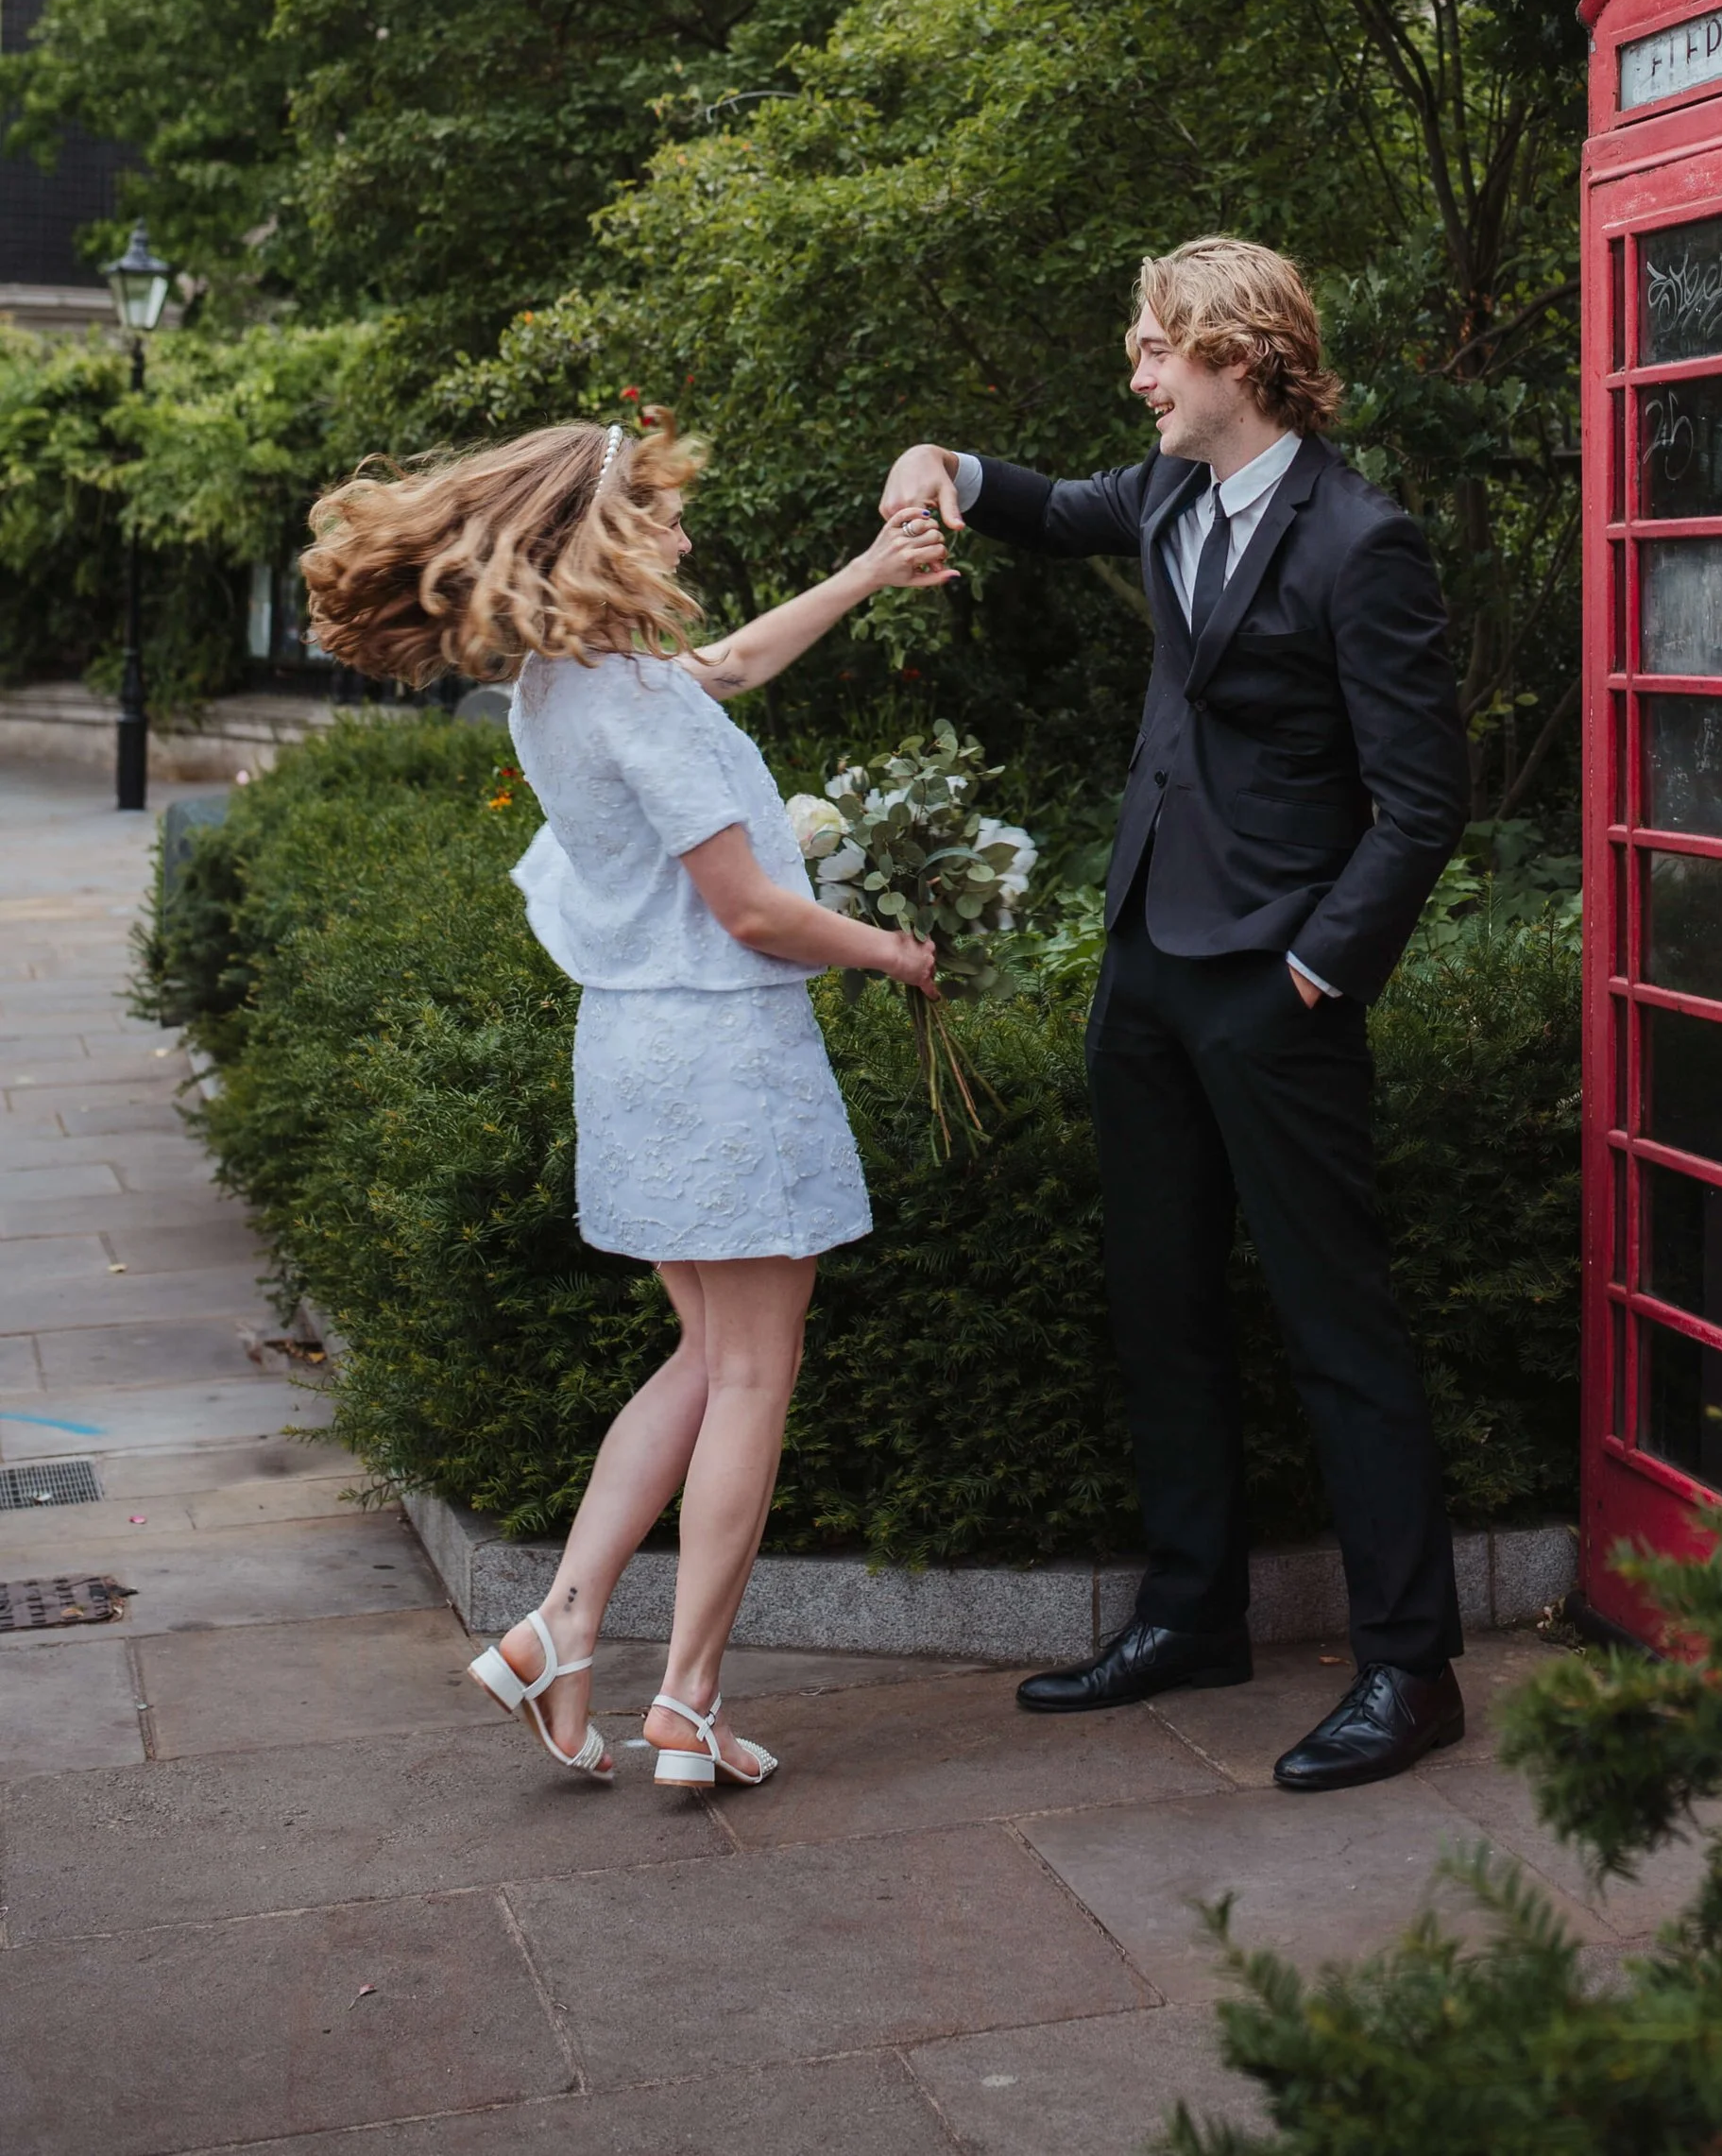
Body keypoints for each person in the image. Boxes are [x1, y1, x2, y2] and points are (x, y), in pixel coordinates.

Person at [879, 236, 1473, 1792]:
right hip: (1146, 959)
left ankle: (1412, 1668)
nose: (1137, 376)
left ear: (1238, 358)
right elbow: (1035, 502)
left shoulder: (1363, 543)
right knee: (1159, 1297)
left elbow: (1421, 803)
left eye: (1155, 349)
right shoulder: (1160, 495)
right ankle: (1192, 1611)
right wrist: (934, 461)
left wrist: (1317, 969)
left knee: (1336, 1325)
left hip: (1277, 981)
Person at [298, 413, 949, 1791]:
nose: (684, 533)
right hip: (726, 1059)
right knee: (754, 1373)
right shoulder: (635, 701)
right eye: (660, 512)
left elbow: (728, 663)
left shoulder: (565, 682)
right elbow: (756, 909)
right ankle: (690, 1697)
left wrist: (865, 573)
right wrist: (895, 949)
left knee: (702, 1359)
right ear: (602, 532)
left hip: (639, 1054)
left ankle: (563, 1623)